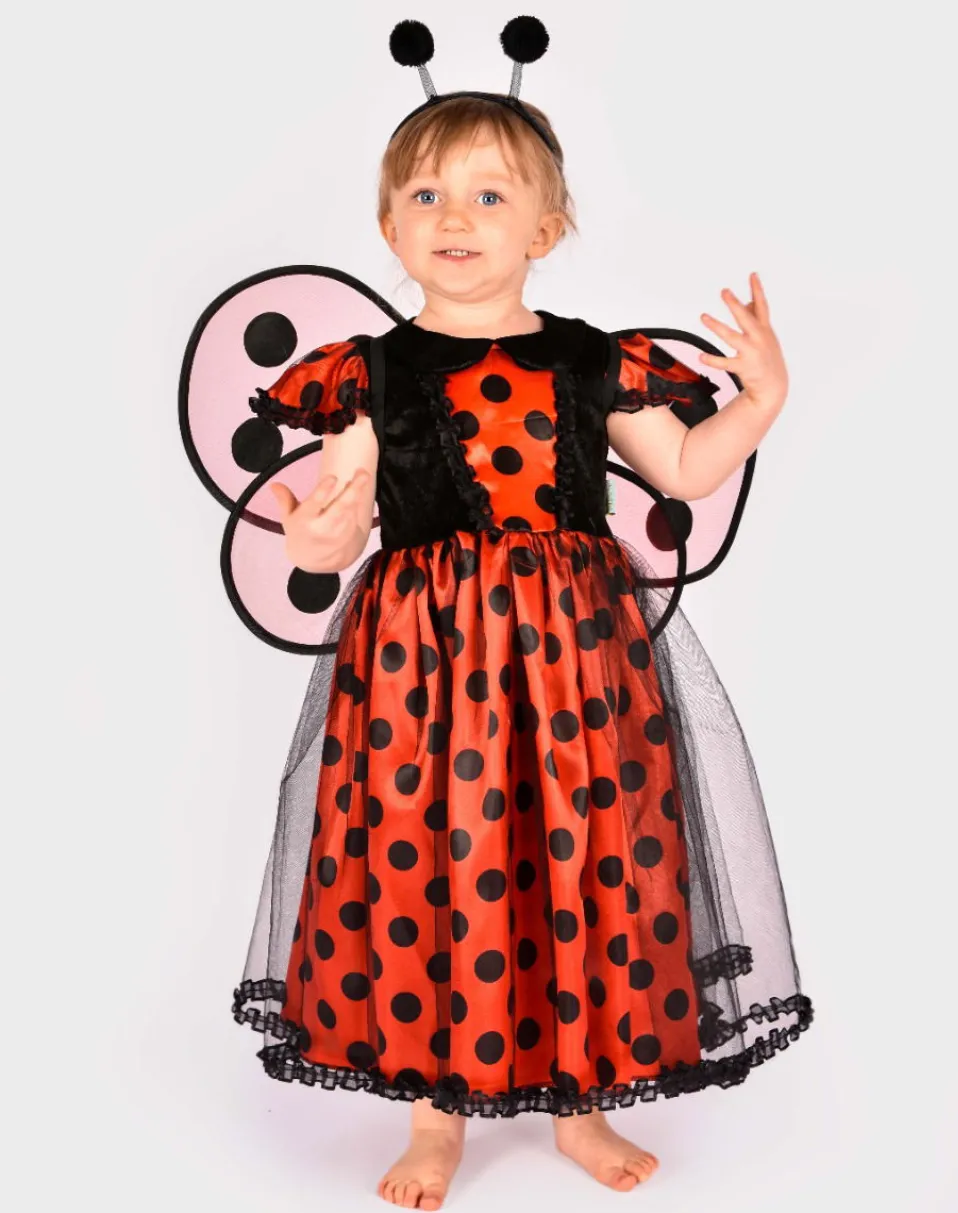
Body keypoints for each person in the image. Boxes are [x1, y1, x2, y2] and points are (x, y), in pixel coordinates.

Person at [230, 18, 813, 1210]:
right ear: (389, 228)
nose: (456, 217)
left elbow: (684, 468)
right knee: (426, 857)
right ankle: (433, 1113)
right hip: (423, 671)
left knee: (582, 856)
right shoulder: (371, 375)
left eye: (490, 195)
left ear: (544, 230)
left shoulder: (592, 362)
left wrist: (758, 402)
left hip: (573, 666)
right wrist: (314, 535)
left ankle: (579, 1104)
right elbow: (341, 514)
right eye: (427, 195)